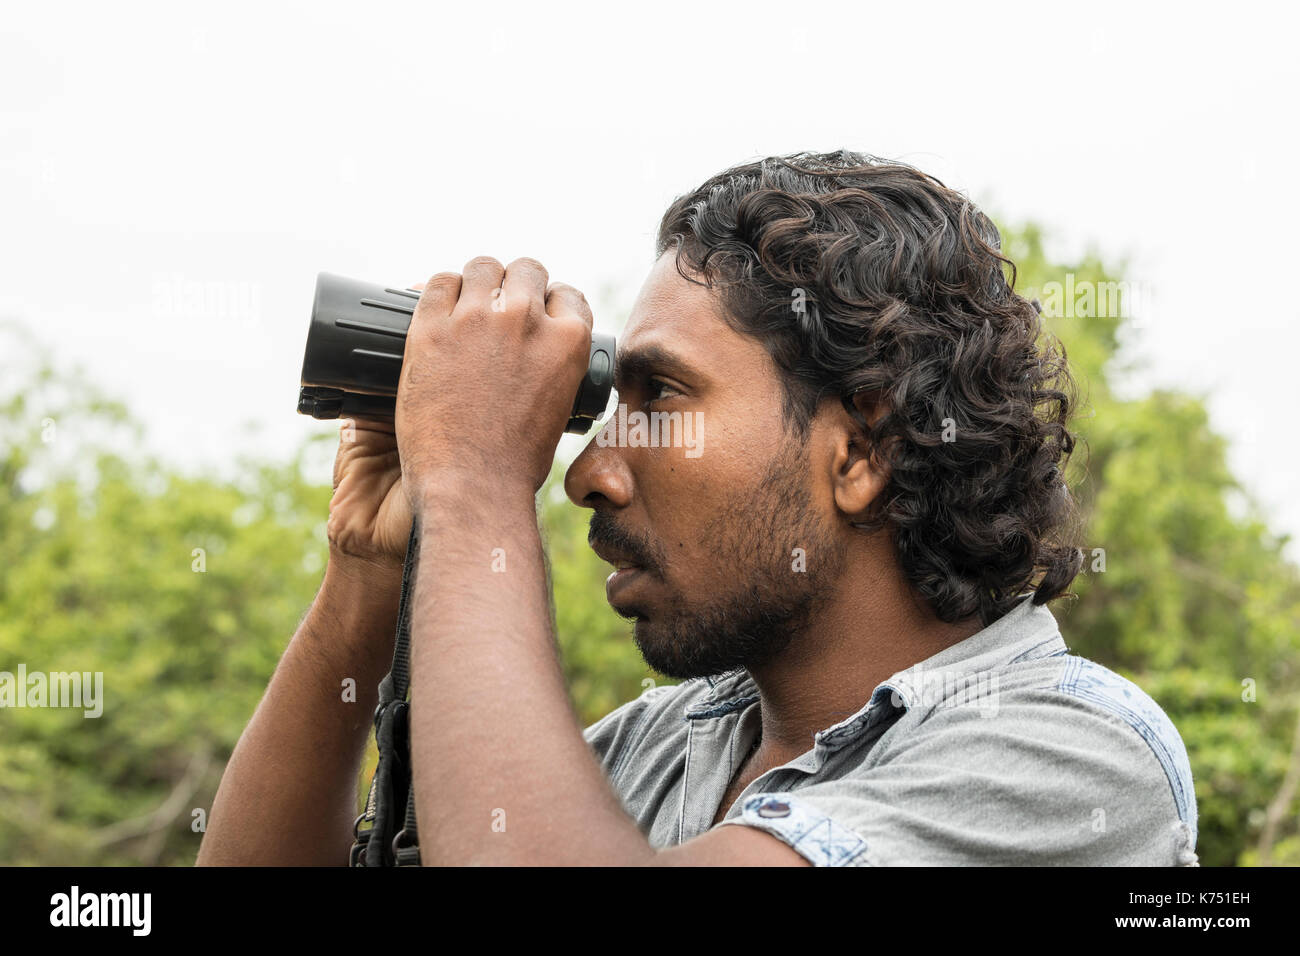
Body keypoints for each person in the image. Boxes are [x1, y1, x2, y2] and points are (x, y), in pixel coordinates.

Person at [197, 151, 1197, 866]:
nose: (587, 473)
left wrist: (474, 476)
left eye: (658, 398)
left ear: (861, 448)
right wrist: (366, 575)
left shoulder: (1066, 755)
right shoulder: (665, 744)